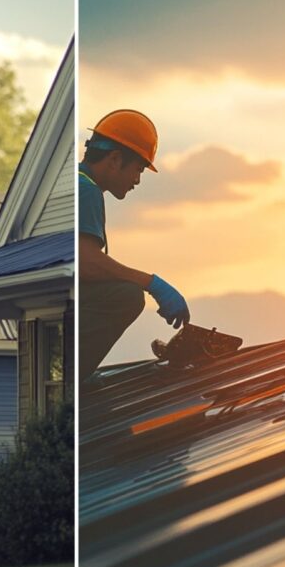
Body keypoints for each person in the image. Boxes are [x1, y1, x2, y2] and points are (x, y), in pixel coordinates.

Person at [78, 109, 190, 383]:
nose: (137, 180)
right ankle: (75, 377)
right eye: (137, 169)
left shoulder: (76, 185)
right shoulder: (86, 190)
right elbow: (85, 263)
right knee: (125, 296)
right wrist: (151, 283)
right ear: (115, 160)